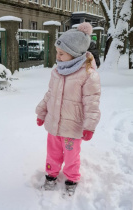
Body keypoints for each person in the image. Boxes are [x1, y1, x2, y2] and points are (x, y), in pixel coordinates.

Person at [35, 22, 101, 195]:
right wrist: (42, 112)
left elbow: (92, 102)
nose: (58, 57)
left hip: (72, 127)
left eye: (62, 53)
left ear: (74, 54)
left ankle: (72, 178)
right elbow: (50, 94)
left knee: (72, 156)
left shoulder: (88, 75)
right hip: (54, 124)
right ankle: (51, 174)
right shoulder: (57, 71)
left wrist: (89, 126)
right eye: (57, 53)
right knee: (53, 152)